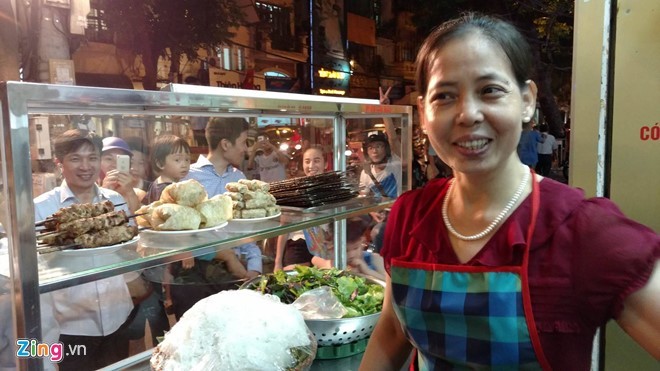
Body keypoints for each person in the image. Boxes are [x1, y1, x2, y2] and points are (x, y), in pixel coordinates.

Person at [360, 13, 659, 370]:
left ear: (527, 100)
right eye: (445, 96)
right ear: (423, 113)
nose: (468, 113)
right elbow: (392, 332)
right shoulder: (410, 216)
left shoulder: (583, 231)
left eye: (490, 90)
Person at [33, 129, 135, 369]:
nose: (86, 166)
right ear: (60, 163)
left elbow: (128, 249)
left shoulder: (115, 200)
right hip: (69, 324)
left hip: (118, 314)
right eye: (75, 158)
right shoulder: (41, 208)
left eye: (92, 157)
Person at [169, 117, 263, 319]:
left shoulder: (240, 180)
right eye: (243, 142)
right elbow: (174, 236)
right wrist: (224, 255)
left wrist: (254, 269)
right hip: (194, 276)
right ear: (226, 144)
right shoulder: (186, 178)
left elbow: (247, 232)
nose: (246, 150)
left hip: (234, 276)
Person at [274, 146, 326, 270]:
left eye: (317, 160)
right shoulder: (294, 192)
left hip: (325, 245)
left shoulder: (334, 191)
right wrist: (277, 263)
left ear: (326, 163)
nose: (311, 165)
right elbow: (284, 229)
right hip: (298, 244)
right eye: (307, 161)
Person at [99, 136, 142, 213]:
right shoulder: (89, 192)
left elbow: (140, 221)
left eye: (121, 160)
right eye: (109, 159)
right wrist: (104, 191)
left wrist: (130, 192)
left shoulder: (138, 194)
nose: (114, 164)